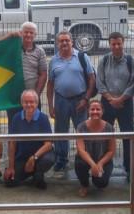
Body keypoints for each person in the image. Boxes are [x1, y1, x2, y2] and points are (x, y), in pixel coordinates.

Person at [47, 30, 96, 179]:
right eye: (61, 41)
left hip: (80, 99)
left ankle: (84, 160)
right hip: (61, 99)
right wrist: (50, 105)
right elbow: (50, 84)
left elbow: (92, 78)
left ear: (72, 42)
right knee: (61, 132)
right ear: (57, 44)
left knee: (82, 131)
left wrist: (86, 99)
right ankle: (61, 160)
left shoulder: (82, 57)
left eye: (66, 40)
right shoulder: (54, 61)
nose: (64, 43)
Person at [96, 31, 134, 181]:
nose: (116, 46)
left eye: (118, 43)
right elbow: (99, 82)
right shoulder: (104, 60)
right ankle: (105, 167)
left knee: (128, 137)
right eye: (113, 44)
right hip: (107, 103)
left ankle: (129, 169)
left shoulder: (131, 61)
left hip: (125, 104)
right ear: (109, 44)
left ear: (123, 43)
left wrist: (120, 99)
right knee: (105, 136)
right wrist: (110, 99)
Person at [0, 22, 47, 123]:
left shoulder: (40, 51)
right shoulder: (12, 48)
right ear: (21, 33)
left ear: (35, 35)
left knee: (34, 124)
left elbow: (43, 74)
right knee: (14, 123)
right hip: (14, 97)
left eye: (31, 33)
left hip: (32, 97)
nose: (28, 35)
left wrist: (36, 94)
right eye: (26, 32)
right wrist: (9, 35)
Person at [4, 89, 55, 189]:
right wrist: (10, 167)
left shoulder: (43, 118)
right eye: (26, 102)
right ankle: (31, 173)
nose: (28, 105)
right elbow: (12, 143)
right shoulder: (16, 118)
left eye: (31, 102)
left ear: (37, 103)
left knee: (49, 159)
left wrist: (33, 158)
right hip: (22, 156)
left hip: (39, 156)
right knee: (9, 181)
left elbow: (48, 144)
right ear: (22, 103)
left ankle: (38, 174)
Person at [75, 100, 116, 197]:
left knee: (102, 183)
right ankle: (84, 185)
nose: (95, 112)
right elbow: (81, 150)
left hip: (103, 159)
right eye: (92, 109)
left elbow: (111, 150)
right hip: (86, 159)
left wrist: (100, 163)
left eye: (98, 109)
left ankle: (96, 179)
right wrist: (93, 165)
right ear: (88, 111)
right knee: (80, 164)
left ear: (102, 111)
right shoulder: (81, 127)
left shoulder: (109, 128)